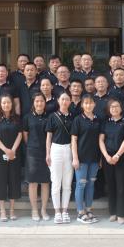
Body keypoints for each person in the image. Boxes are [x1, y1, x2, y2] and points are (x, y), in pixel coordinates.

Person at [99, 99, 124, 224]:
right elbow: (101, 140)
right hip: (107, 157)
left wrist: (117, 155)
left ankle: (121, 214)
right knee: (111, 185)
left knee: (121, 186)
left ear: (121, 108)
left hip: (121, 157)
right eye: (112, 107)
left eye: (117, 106)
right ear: (109, 109)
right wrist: (106, 156)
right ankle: (113, 212)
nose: (114, 108)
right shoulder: (105, 122)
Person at [0, 94, 23, 221]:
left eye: (8, 102)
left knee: (14, 180)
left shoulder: (17, 118)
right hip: (0, 154)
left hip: (14, 154)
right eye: (3, 103)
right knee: (1, 181)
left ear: (12, 104)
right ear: (0, 104)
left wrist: (12, 150)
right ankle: (2, 211)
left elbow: (20, 134)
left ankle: (12, 210)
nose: (6, 105)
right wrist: (6, 150)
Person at [71, 94, 102, 224]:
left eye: (91, 103)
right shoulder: (78, 120)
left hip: (94, 157)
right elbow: (74, 140)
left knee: (91, 184)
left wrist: (100, 158)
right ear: (82, 105)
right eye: (86, 103)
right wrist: (75, 158)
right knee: (81, 184)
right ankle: (80, 212)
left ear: (94, 104)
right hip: (81, 158)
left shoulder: (98, 119)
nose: (88, 105)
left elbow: (101, 140)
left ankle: (88, 210)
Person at [46, 92, 75, 224]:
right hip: (56, 149)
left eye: (67, 99)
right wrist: (48, 153)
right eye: (62, 99)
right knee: (56, 182)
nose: (64, 101)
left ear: (70, 101)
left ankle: (65, 211)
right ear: (58, 100)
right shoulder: (52, 116)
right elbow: (49, 137)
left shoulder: (73, 117)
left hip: (69, 149)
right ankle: (57, 212)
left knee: (67, 183)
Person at [22, 93, 51, 222]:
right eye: (37, 101)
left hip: (47, 152)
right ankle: (34, 209)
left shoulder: (49, 117)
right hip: (32, 152)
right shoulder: (27, 117)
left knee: (45, 181)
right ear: (33, 103)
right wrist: (31, 146)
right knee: (33, 182)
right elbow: (25, 135)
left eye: (42, 101)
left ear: (45, 103)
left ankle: (43, 209)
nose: (39, 103)